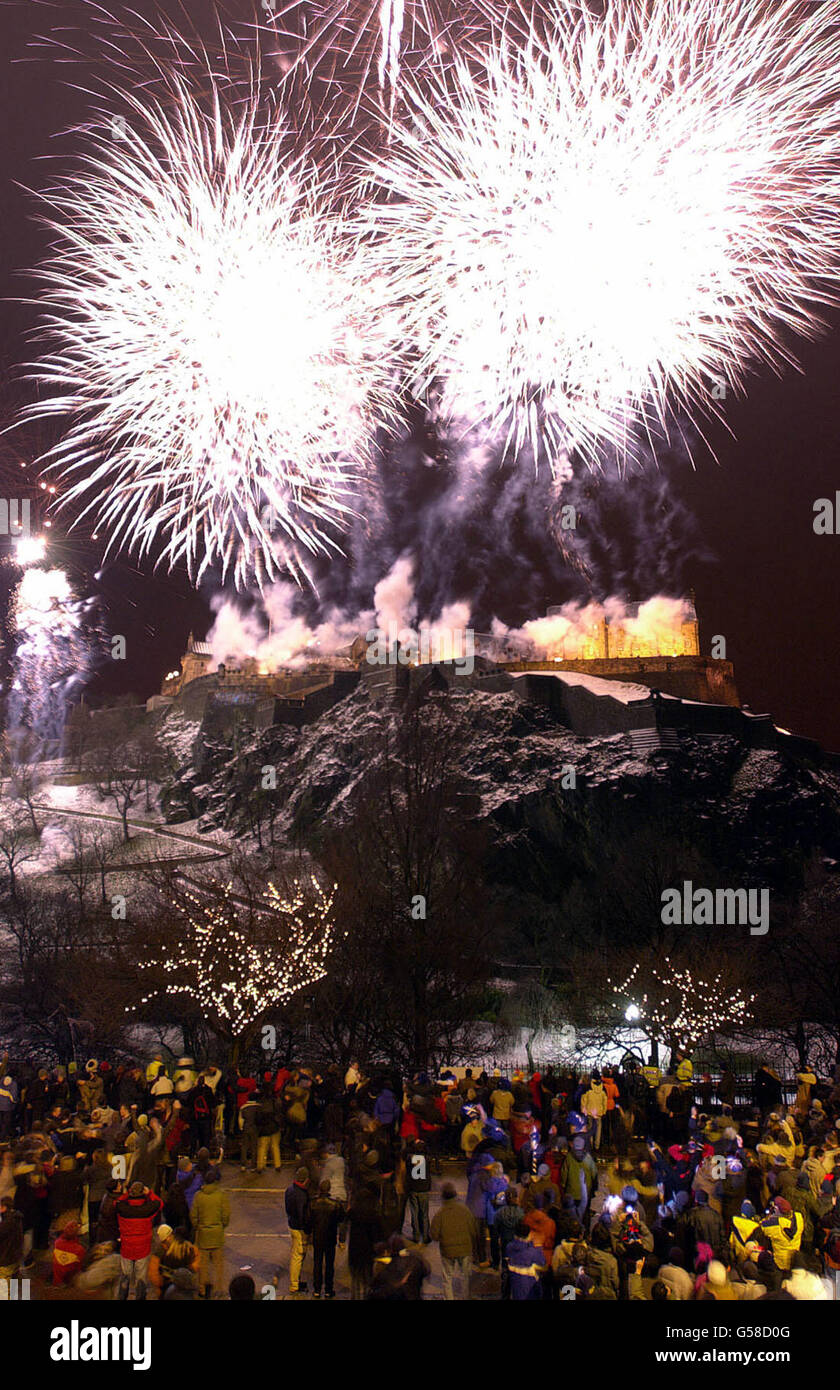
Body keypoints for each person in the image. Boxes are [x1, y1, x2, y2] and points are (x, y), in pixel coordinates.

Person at [114, 1180, 163, 1300]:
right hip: (143, 1248)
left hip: (127, 1247)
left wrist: (127, 1194)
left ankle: (122, 1297)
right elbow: (160, 1203)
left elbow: (117, 1201)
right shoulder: (148, 1209)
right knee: (141, 1278)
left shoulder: (122, 1207)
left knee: (125, 1276)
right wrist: (149, 1193)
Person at [431, 1181, 476, 1300]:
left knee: (447, 1278)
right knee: (465, 1276)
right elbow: (473, 1230)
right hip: (465, 1249)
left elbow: (434, 1235)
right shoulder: (465, 1211)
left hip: (447, 1251)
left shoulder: (440, 1214)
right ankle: (465, 1296)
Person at [190, 1168, 230, 1299]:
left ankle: (203, 1290)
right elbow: (225, 1215)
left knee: (203, 1265)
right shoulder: (221, 1195)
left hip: (203, 1234)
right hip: (217, 1233)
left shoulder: (198, 1196)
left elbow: (194, 1216)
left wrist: (198, 1226)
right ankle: (218, 1290)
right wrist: (221, 1226)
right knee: (218, 1265)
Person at [310, 1179, 341, 1299]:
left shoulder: (313, 1203)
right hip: (330, 1238)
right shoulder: (335, 1205)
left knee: (317, 1263)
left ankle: (317, 1289)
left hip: (317, 1237)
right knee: (329, 1264)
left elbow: (308, 1219)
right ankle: (328, 1289)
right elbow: (341, 1218)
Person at [284, 1166, 311, 1295]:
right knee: (297, 1256)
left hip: (292, 1225)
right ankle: (294, 1284)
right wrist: (306, 1228)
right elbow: (302, 1215)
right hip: (299, 1229)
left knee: (297, 1254)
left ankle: (296, 1281)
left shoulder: (289, 1190)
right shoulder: (301, 1195)